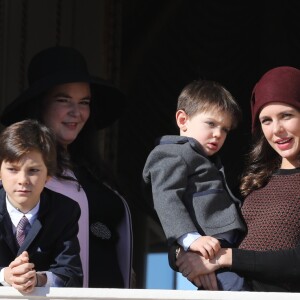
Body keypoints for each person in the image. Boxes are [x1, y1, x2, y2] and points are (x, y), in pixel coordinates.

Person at [0, 46, 133, 288]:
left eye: (84, 102)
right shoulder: (15, 174)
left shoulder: (91, 169)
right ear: (40, 105)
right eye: (64, 100)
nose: (76, 112)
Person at [172, 66, 300, 292]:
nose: (277, 129)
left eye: (286, 116)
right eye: (266, 120)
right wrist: (184, 252)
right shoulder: (254, 182)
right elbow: (201, 221)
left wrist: (224, 258)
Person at [142, 79, 247, 290]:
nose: (218, 134)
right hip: (206, 249)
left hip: (226, 250)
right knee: (237, 290)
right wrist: (189, 239)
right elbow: (166, 197)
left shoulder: (206, 159)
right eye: (211, 123)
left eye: (225, 129)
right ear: (183, 119)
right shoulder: (171, 153)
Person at [0, 119, 83, 293]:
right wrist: (6, 276)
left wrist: (37, 279)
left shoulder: (64, 211)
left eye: (33, 170)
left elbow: (71, 275)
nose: (22, 180)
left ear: (49, 175)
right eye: (13, 169)